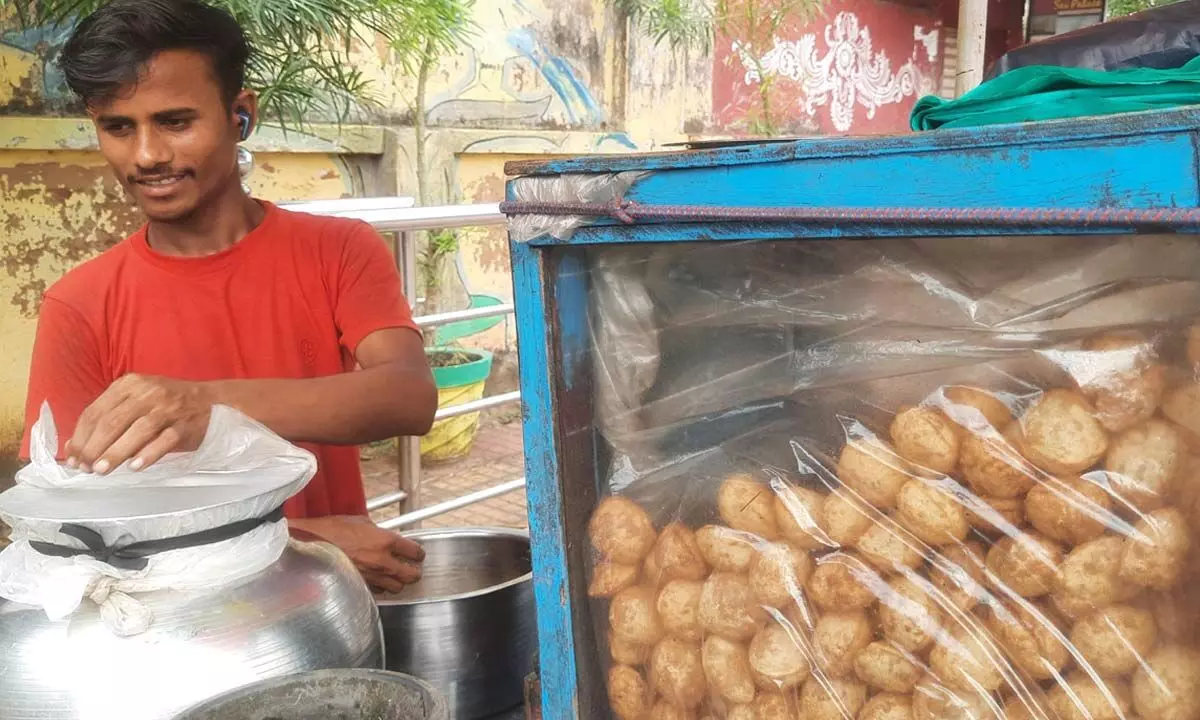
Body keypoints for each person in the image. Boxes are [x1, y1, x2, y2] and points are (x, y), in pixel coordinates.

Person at [19, 0, 438, 593]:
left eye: (175, 121)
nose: (147, 155)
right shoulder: (80, 303)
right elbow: (70, 529)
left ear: (240, 114)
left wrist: (201, 405)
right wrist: (300, 543)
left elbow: (407, 396)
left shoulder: (338, 249)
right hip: (175, 641)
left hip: (328, 619)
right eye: (119, 127)